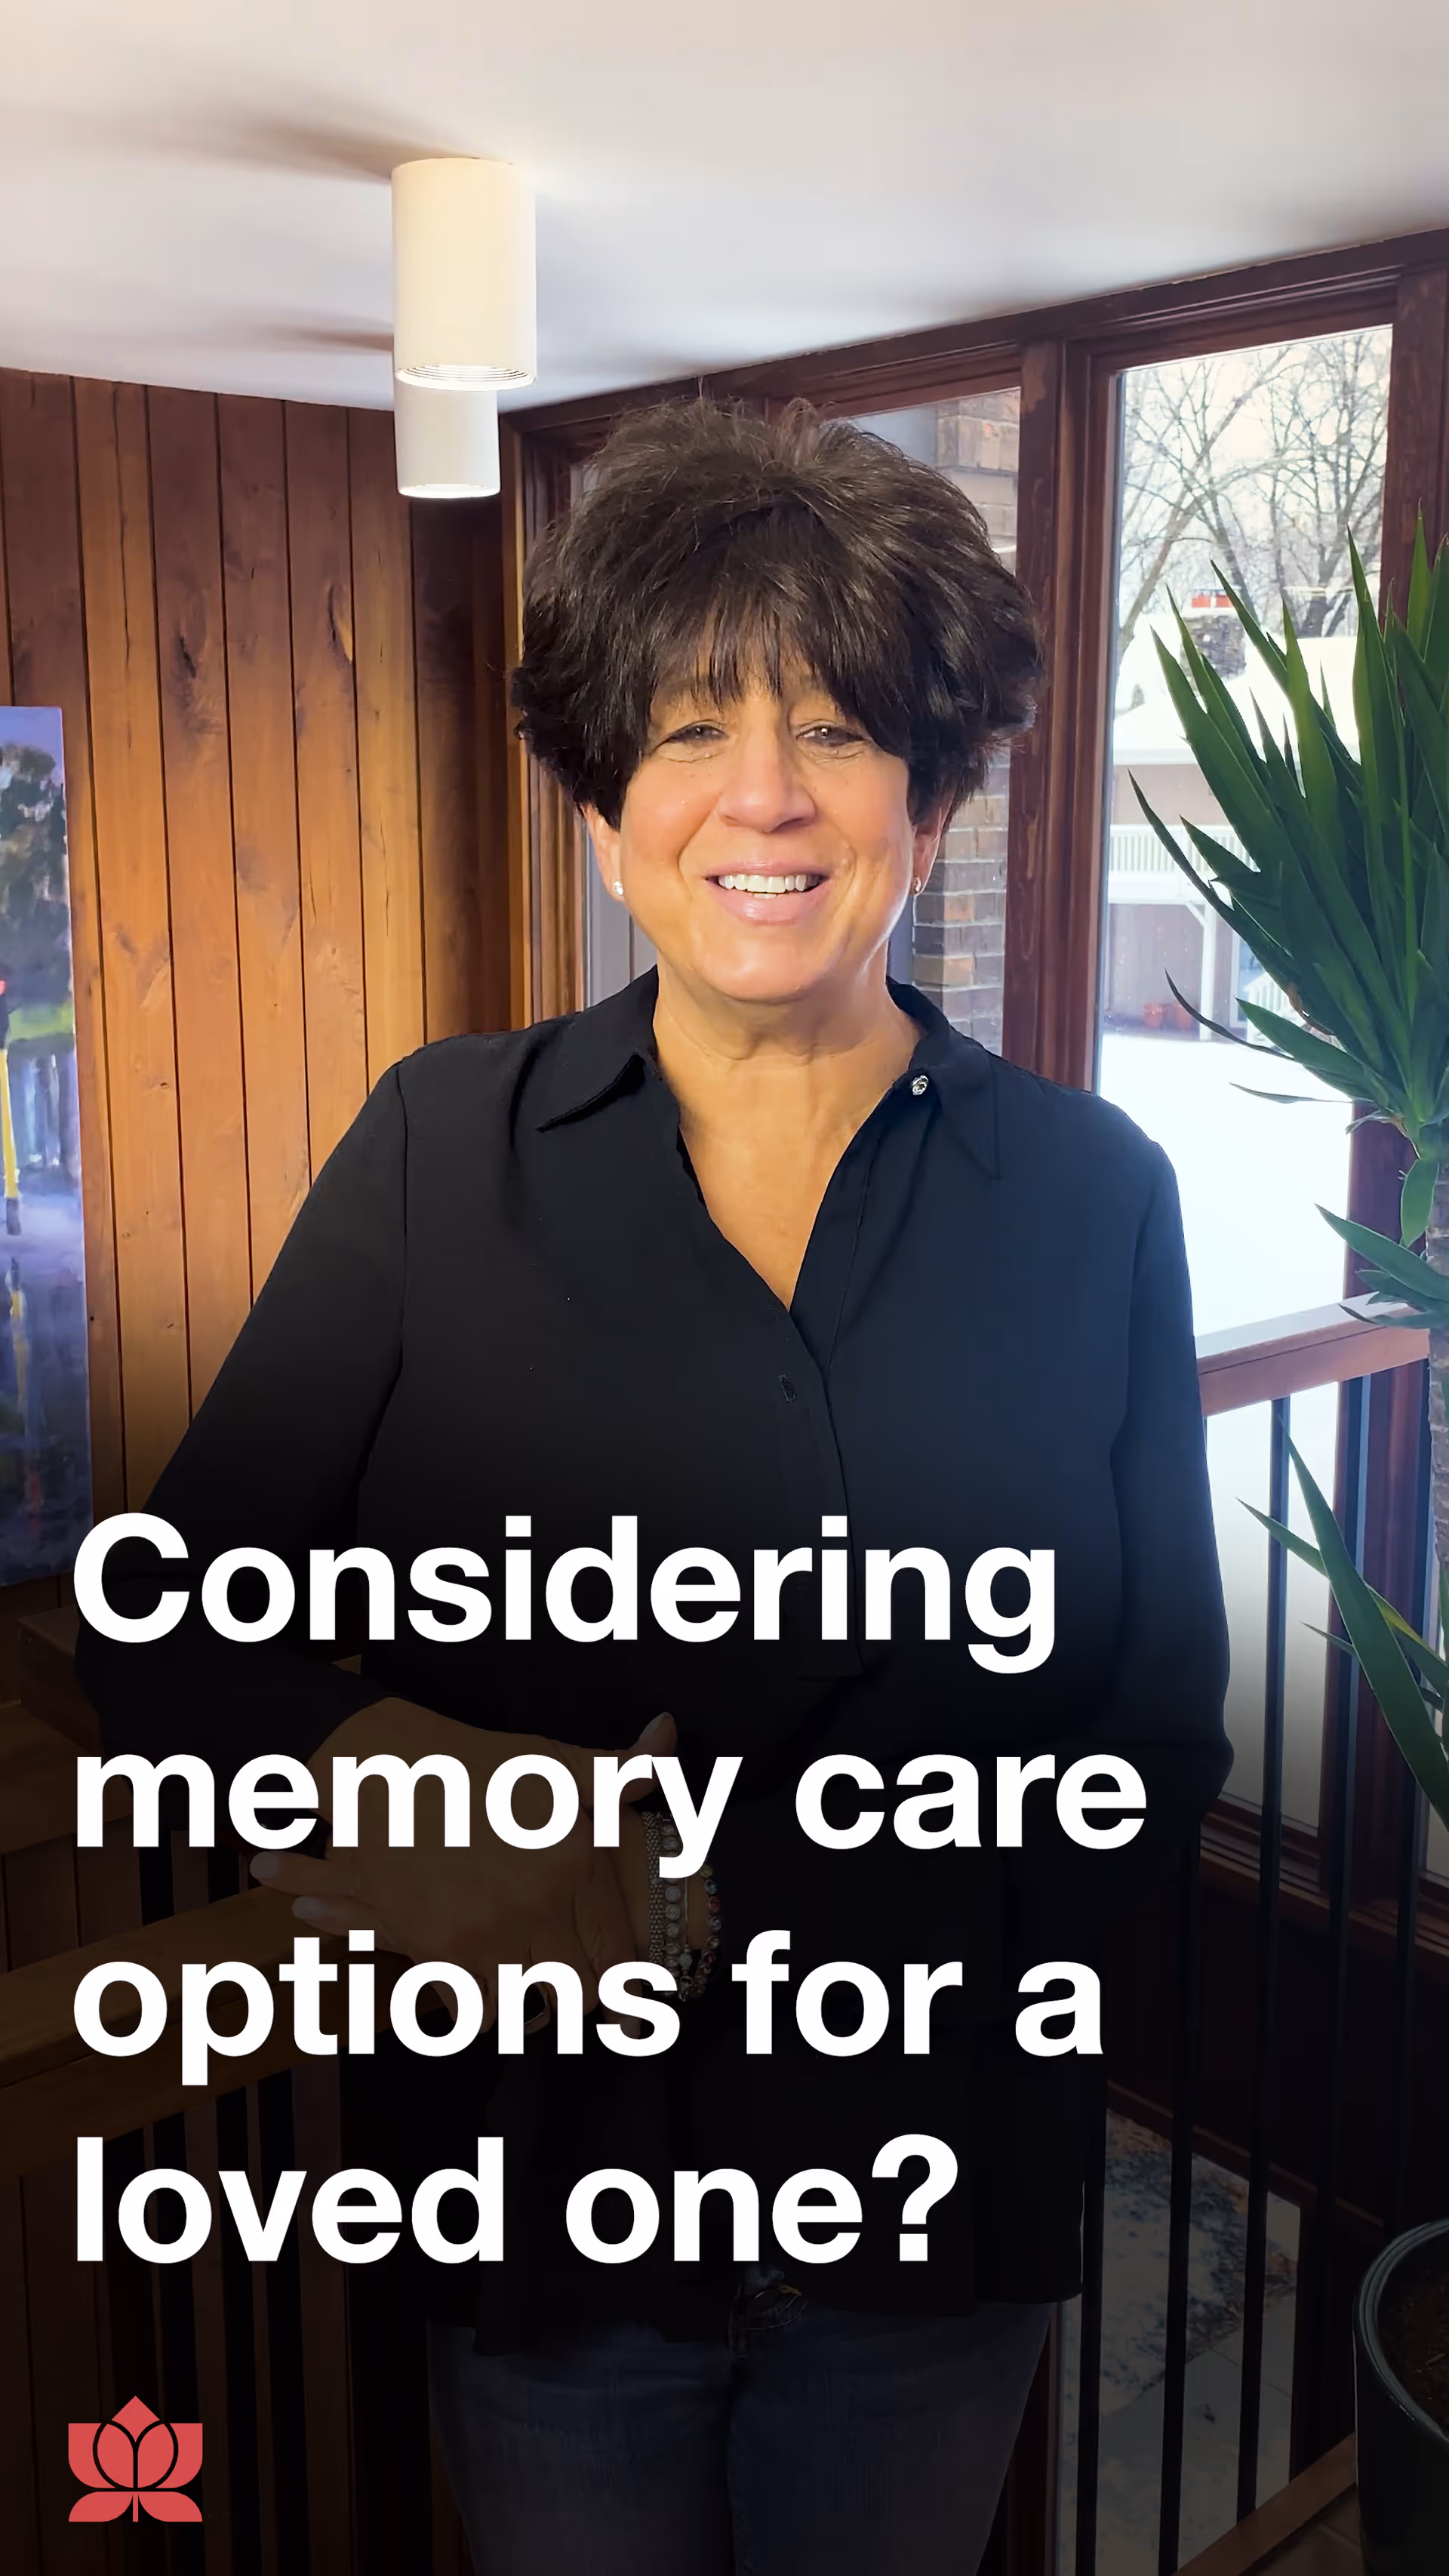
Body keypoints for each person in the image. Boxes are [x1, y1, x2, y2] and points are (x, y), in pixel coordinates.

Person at [77, 399, 1231, 2576]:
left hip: (931, 2205)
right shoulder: (443, 1152)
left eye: (831, 724)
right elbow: (170, 1613)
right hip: (543, 2195)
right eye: (691, 723)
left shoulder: (1093, 1193)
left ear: (937, 788)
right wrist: (362, 1767)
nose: (763, 793)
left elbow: (1156, 1716)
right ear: (609, 801)